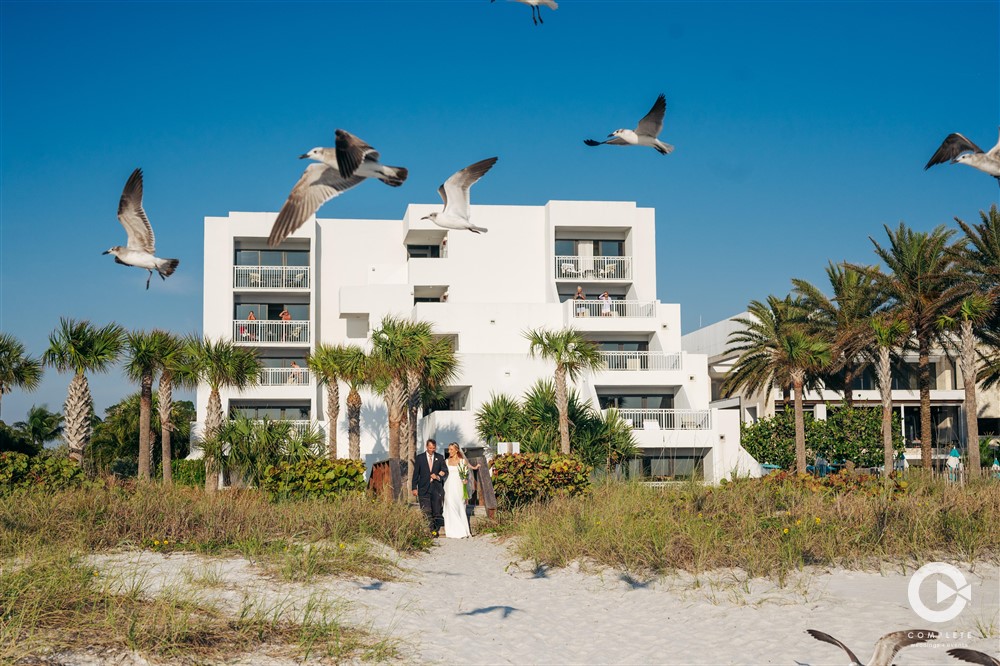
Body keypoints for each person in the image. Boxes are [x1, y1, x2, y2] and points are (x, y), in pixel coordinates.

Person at [443, 443, 480, 539]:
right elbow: (442, 471)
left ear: (456, 450)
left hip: (459, 485)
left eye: (451, 449)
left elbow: (469, 468)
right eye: (449, 449)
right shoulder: (446, 461)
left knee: (459, 504)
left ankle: (462, 529)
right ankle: (452, 530)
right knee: (450, 504)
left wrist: (474, 469)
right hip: (449, 485)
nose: (449, 451)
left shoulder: (462, 461)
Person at [412, 439, 447, 534]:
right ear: (426, 447)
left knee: (436, 510)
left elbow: (444, 470)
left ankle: (435, 526)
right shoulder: (420, 458)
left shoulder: (440, 457)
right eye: (430, 448)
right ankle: (431, 531)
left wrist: (438, 476)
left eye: (434, 448)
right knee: (426, 509)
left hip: (436, 488)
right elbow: (416, 474)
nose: (432, 450)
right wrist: (414, 487)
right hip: (423, 487)